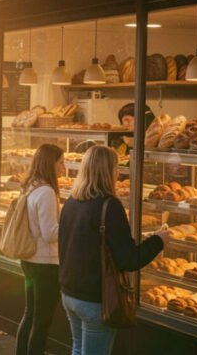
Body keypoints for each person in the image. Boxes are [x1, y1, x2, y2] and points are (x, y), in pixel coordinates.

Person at [58, 145, 168, 355]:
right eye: (115, 167)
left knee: (78, 349)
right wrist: (158, 241)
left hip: (69, 293)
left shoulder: (71, 201)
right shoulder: (109, 206)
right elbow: (129, 260)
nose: (118, 172)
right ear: (108, 171)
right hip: (95, 299)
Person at [16, 144, 65, 355]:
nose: (63, 167)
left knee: (30, 314)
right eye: (61, 162)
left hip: (30, 260)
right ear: (50, 164)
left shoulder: (32, 187)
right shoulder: (46, 192)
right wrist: (71, 224)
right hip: (45, 263)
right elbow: (50, 233)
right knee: (42, 321)